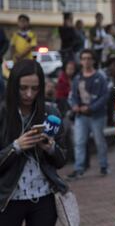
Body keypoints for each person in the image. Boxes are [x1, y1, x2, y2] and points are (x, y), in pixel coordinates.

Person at [0, 59, 67, 225]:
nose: (29, 94)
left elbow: (62, 159)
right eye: (23, 88)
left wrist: (50, 148)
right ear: (14, 86)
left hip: (44, 197)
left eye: (35, 88)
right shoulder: (3, 113)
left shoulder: (50, 112)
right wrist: (16, 147)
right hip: (8, 197)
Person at [67, 49, 109, 180]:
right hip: (81, 116)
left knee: (99, 142)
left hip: (97, 116)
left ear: (93, 60)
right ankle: (79, 169)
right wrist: (74, 105)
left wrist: (90, 108)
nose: (86, 61)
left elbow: (104, 96)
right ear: (81, 61)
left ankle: (103, 166)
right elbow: (73, 95)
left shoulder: (99, 77)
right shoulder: (77, 78)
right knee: (79, 142)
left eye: (89, 58)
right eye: (84, 58)